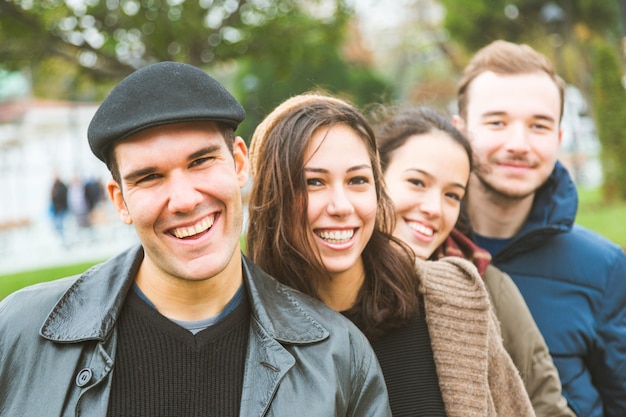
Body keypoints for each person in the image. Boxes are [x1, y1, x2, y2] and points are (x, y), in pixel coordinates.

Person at [0, 62, 392, 416]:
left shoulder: (340, 356)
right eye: (150, 176)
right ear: (120, 200)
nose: (185, 200)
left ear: (239, 164)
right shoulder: (17, 333)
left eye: (201, 161)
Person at [247, 92, 534, 417]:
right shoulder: (244, 335)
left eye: (357, 180)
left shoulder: (454, 294)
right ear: (272, 196)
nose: (342, 206)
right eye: (314, 182)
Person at [452, 39, 626, 417]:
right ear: (460, 131)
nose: (519, 144)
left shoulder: (606, 268)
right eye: (497, 122)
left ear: (559, 139)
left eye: (539, 125)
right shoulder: (411, 254)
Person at [374, 105, 575, 417]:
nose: (434, 208)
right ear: (374, 179)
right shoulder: (330, 281)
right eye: (417, 182)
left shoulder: (484, 284)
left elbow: (546, 405)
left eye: (452, 195)